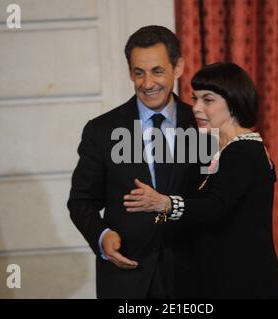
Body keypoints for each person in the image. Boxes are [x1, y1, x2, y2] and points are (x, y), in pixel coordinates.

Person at [123, 62, 278, 298]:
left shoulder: (245, 151)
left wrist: (165, 203)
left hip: (246, 284)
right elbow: (191, 205)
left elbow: (214, 207)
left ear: (233, 102)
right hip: (214, 282)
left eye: (208, 100)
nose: (197, 108)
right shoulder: (213, 149)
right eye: (195, 99)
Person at [67, 25, 199, 298]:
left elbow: (217, 200)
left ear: (178, 67)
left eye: (157, 71)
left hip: (192, 279)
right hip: (127, 279)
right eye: (139, 73)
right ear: (130, 72)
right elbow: (82, 201)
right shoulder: (101, 131)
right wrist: (102, 237)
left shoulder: (203, 126)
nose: (147, 83)